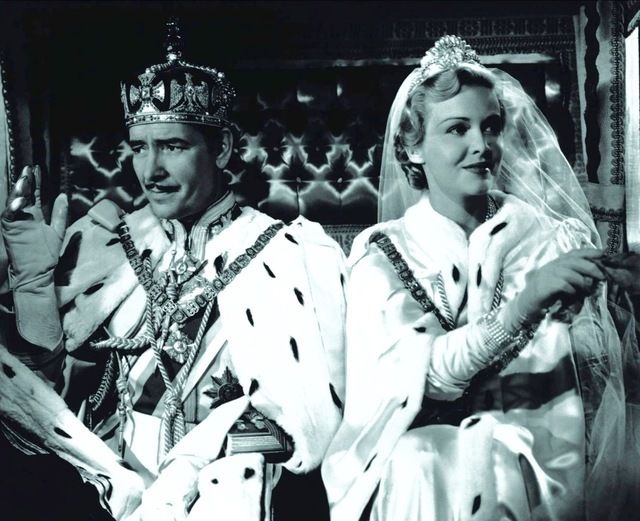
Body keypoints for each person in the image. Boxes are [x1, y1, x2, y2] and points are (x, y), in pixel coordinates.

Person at [0, 23, 346, 521]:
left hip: (214, 490)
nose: (150, 170)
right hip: (101, 486)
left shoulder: (286, 255)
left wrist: (184, 477)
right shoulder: (110, 243)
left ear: (221, 149)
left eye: (172, 146)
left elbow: (303, 422)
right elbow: (46, 400)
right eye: (139, 147)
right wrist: (33, 286)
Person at [322, 36, 639, 521]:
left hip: (544, 452)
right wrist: (524, 305)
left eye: (491, 126)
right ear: (413, 147)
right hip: (421, 458)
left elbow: (602, 371)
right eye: (457, 129)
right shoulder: (382, 254)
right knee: (422, 458)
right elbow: (424, 378)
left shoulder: (549, 236)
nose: (481, 146)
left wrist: (621, 301)